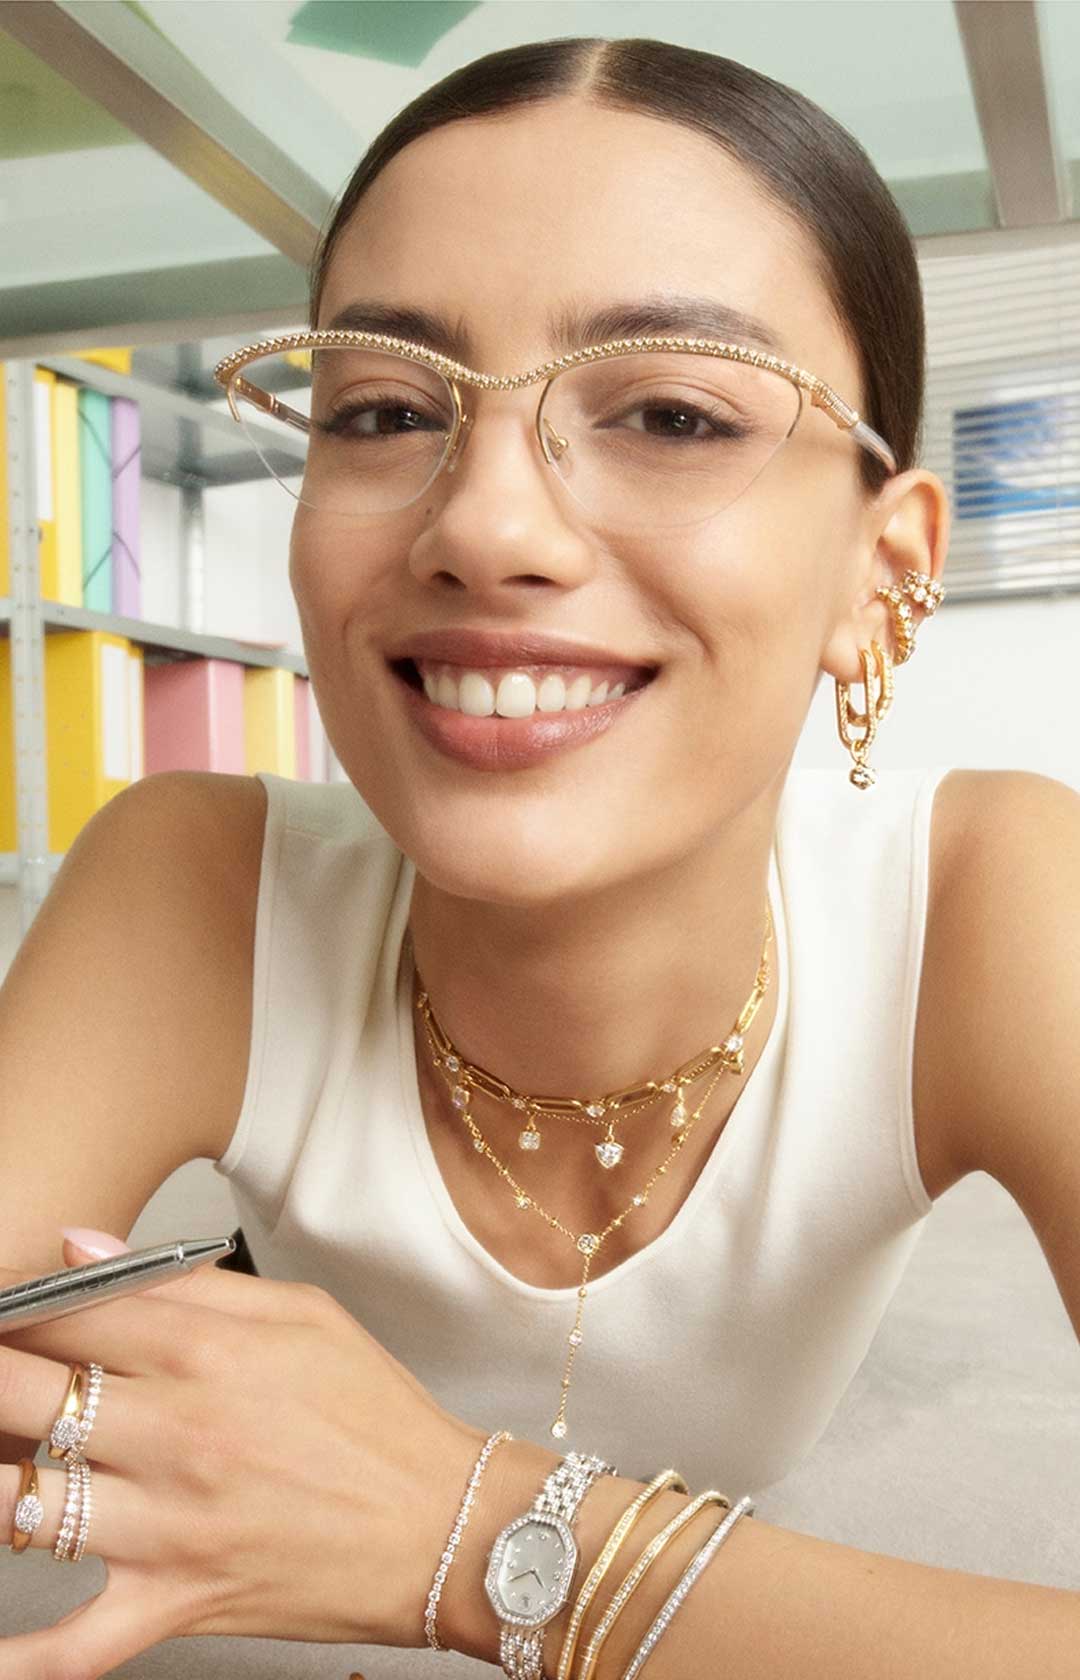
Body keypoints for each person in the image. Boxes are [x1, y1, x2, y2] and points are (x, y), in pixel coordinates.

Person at [2, 33, 1079, 1680]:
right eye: (383, 409)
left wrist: (472, 1534)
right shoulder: (197, 877)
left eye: (672, 412)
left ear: (883, 574)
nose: (486, 526)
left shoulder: (989, 897)